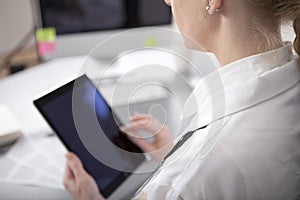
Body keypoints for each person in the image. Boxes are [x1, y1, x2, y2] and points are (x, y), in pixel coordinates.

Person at [63, 0, 300, 199]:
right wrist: (171, 154)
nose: (167, 0)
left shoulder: (183, 182)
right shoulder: (290, 83)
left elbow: (201, 176)